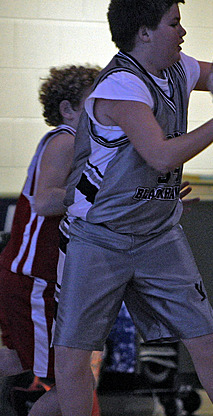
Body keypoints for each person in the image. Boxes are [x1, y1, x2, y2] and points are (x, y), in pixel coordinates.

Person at [53, 0, 213, 416]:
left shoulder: (180, 68)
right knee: (73, 356)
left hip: (157, 233)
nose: (183, 32)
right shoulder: (122, 85)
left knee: (205, 336)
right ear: (144, 33)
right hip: (99, 237)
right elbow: (159, 155)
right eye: (174, 23)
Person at [0, 64, 101, 416]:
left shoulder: (78, 144)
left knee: (13, 360)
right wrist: (97, 192)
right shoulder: (65, 140)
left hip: (27, 275)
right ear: (68, 109)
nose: (104, 110)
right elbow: (44, 202)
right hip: (33, 279)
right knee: (74, 381)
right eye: (94, 102)